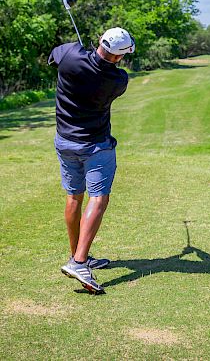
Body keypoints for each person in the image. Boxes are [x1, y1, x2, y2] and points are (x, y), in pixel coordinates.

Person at [48, 27, 135, 294]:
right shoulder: (118, 80)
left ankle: (78, 255)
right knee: (98, 199)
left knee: (74, 197)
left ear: (100, 41)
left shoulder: (72, 55)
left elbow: (54, 56)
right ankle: (79, 261)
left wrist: (81, 50)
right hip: (95, 146)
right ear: (120, 56)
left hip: (65, 141)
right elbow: (100, 68)